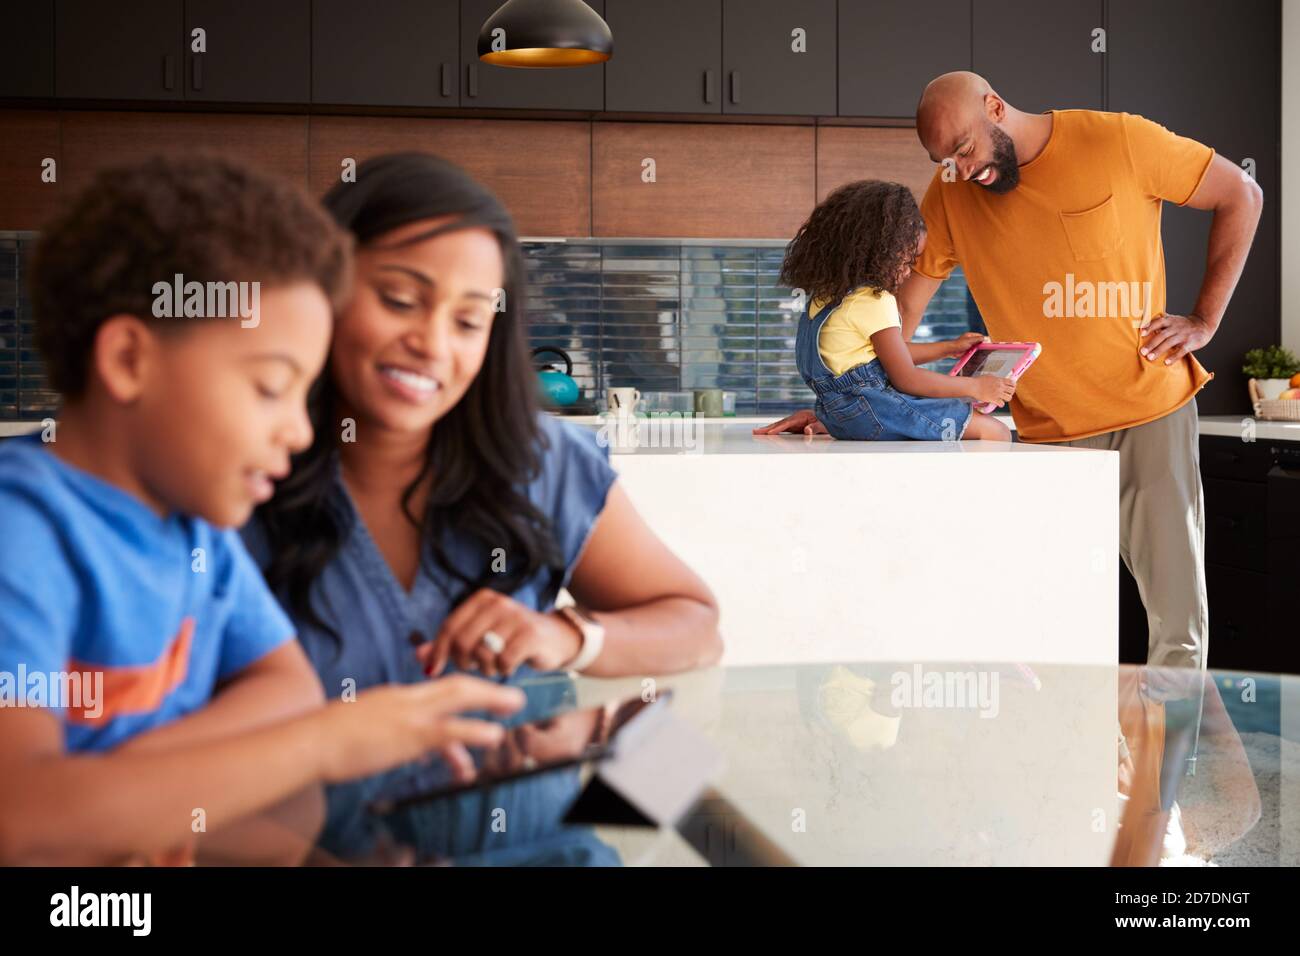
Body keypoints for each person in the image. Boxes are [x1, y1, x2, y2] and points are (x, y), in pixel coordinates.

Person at [0, 155, 525, 866]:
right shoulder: (23, 529)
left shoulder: (195, 535)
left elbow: (287, 688)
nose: (303, 431)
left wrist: (126, 793)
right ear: (130, 359)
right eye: (272, 387)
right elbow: (22, 816)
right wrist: (323, 745)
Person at [244, 153, 722, 861]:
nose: (433, 344)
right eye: (400, 300)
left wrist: (566, 637)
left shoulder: (539, 462)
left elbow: (698, 628)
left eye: (469, 321)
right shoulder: (237, 472)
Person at [758, 70, 1264, 676]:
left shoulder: (1119, 141)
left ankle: (1176, 768)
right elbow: (895, 323)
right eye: (943, 159)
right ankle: (1092, 765)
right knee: (1053, 627)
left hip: (1148, 413)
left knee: (1176, 626)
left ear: (995, 107)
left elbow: (1243, 194)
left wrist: (1205, 320)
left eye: (964, 148)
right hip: (1045, 438)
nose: (960, 169)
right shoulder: (949, 194)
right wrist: (846, 405)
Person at [781, 179, 1013, 441]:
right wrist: (976, 387)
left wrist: (948, 348)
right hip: (878, 413)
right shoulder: (874, 300)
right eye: (906, 259)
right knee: (995, 431)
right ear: (878, 251)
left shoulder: (825, 299)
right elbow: (907, 378)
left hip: (840, 419)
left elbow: (890, 355)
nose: (907, 271)